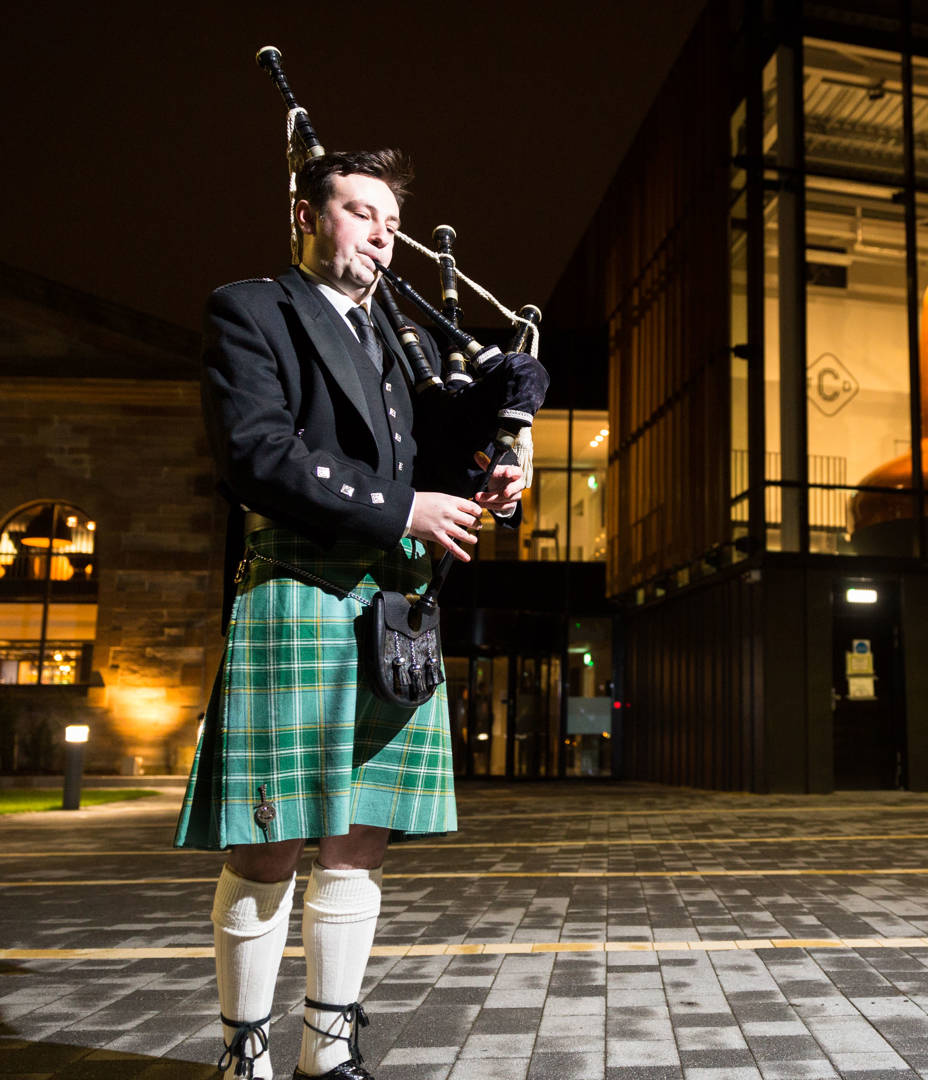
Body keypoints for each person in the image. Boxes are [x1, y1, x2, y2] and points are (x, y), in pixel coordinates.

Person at [174, 148, 522, 1080]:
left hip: (391, 605)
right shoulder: (254, 309)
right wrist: (404, 508)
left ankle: (327, 1054)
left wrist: (485, 481)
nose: (381, 234)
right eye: (361, 211)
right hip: (297, 586)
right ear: (307, 214)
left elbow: (424, 467)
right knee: (270, 838)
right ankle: (244, 1055)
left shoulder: (401, 346)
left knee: (358, 838)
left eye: (391, 221)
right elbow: (256, 452)